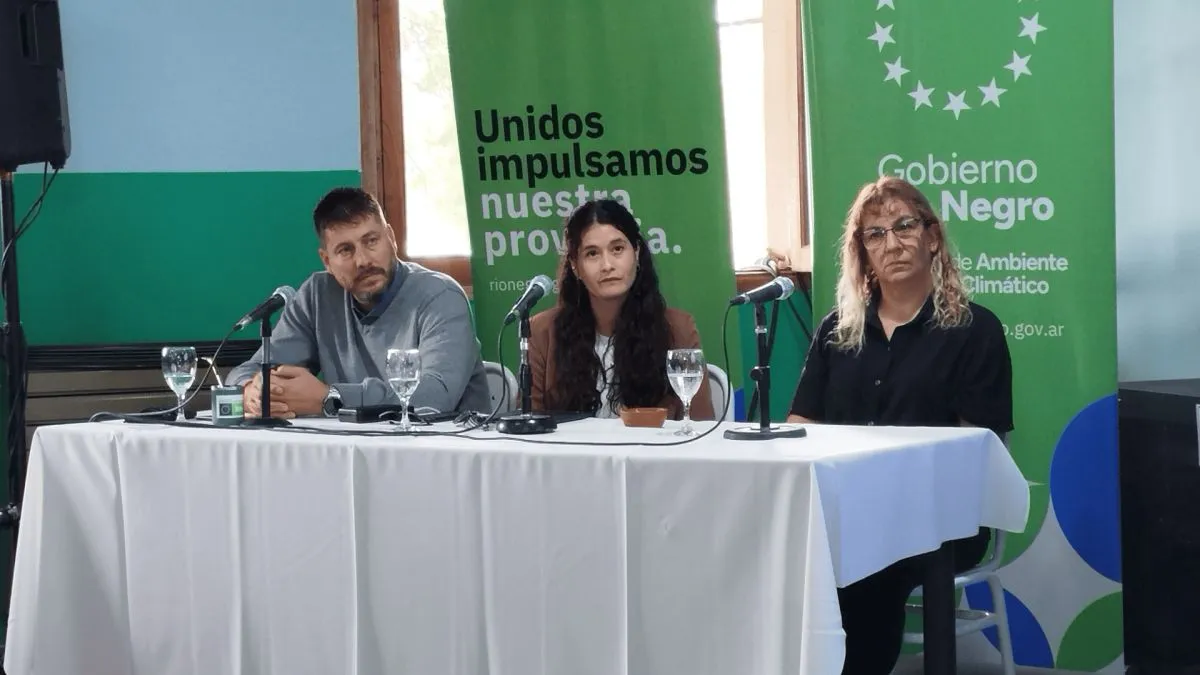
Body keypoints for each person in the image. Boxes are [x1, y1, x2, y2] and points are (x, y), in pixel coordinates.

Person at [788, 176, 1013, 675]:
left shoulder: (975, 330)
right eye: (875, 234)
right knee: (783, 555)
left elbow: (979, 451)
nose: (891, 243)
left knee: (869, 567)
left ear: (932, 238)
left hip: (941, 520)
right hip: (844, 513)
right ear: (862, 253)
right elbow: (801, 426)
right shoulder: (836, 331)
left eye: (904, 226)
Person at [227, 187, 491, 418]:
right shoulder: (317, 296)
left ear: (391, 238)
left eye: (371, 241)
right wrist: (252, 391)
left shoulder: (440, 296)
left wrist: (332, 398)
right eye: (346, 250)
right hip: (355, 448)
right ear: (327, 261)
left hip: (446, 450)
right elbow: (247, 371)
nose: (363, 260)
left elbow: (436, 397)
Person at [528, 199, 716, 422]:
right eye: (592, 254)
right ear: (575, 266)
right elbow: (530, 427)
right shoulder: (541, 332)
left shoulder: (678, 329)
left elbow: (700, 426)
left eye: (617, 249)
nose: (607, 265)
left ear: (636, 252)